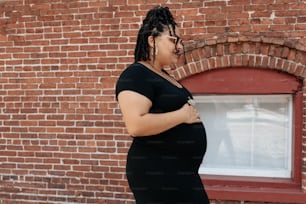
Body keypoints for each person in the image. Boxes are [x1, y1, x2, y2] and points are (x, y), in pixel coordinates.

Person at [115, 6, 210, 204]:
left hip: (183, 174)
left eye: (180, 41)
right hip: (158, 174)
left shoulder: (164, 76)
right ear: (152, 40)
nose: (179, 47)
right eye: (173, 40)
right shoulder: (136, 74)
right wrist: (183, 116)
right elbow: (136, 125)